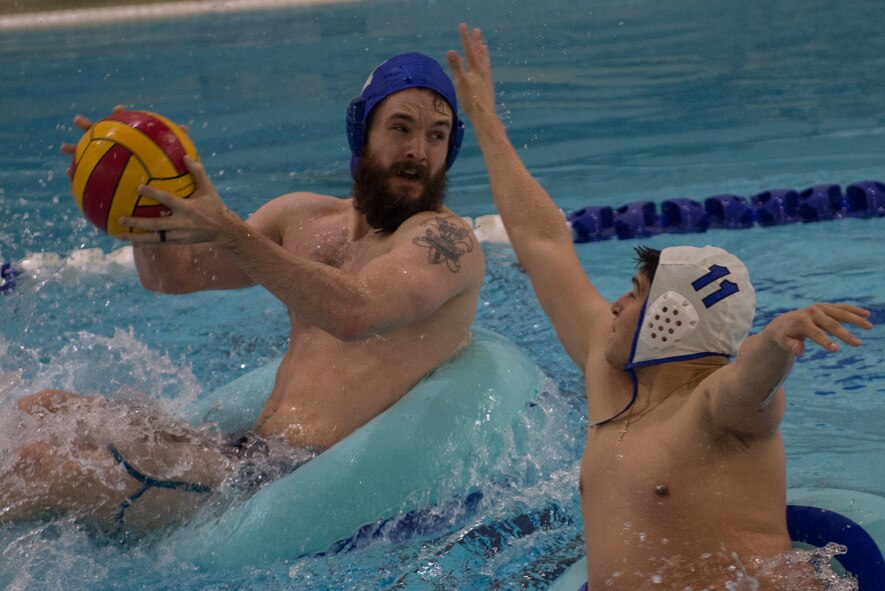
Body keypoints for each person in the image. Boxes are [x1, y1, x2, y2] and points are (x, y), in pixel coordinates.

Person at [447, 24, 874, 590]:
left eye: (636, 293)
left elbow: (752, 381)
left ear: (672, 318)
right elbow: (544, 242)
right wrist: (484, 119)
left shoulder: (716, 411)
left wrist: (777, 340)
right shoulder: (608, 374)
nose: (618, 304)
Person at [2, 52, 484, 538]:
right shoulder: (302, 217)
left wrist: (232, 232)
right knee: (41, 407)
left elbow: (355, 311)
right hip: (245, 451)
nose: (418, 151)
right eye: (401, 128)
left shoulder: (445, 244)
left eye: (436, 135)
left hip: (290, 477)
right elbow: (178, 274)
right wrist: (144, 189)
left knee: (38, 468)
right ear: (362, 132)